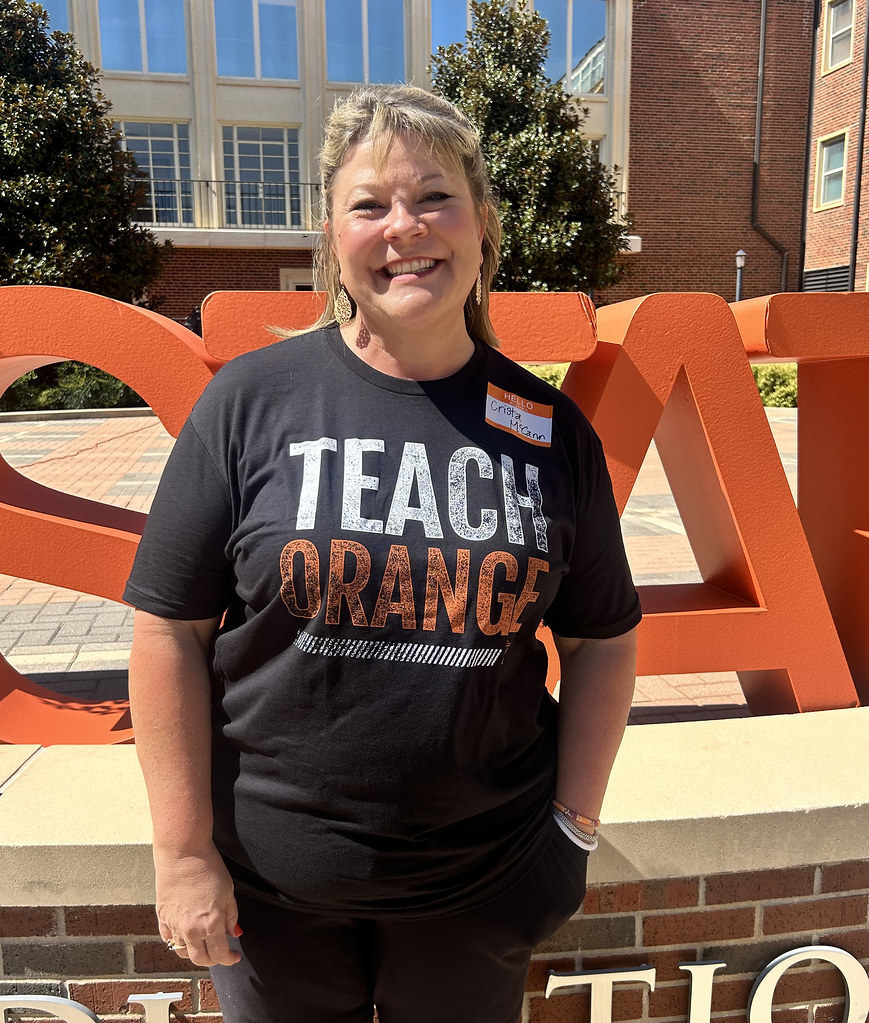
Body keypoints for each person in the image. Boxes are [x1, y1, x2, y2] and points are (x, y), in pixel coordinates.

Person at [124, 84, 641, 1023]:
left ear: (482, 225)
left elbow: (604, 638)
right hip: (267, 898)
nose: (405, 228)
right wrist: (183, 853)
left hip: (480, 886)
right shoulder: (250, 402)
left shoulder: (549, 431)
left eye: (434, 196)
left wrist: (573, 828)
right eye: (369, 204)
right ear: (333, 236)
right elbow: (168, 628)